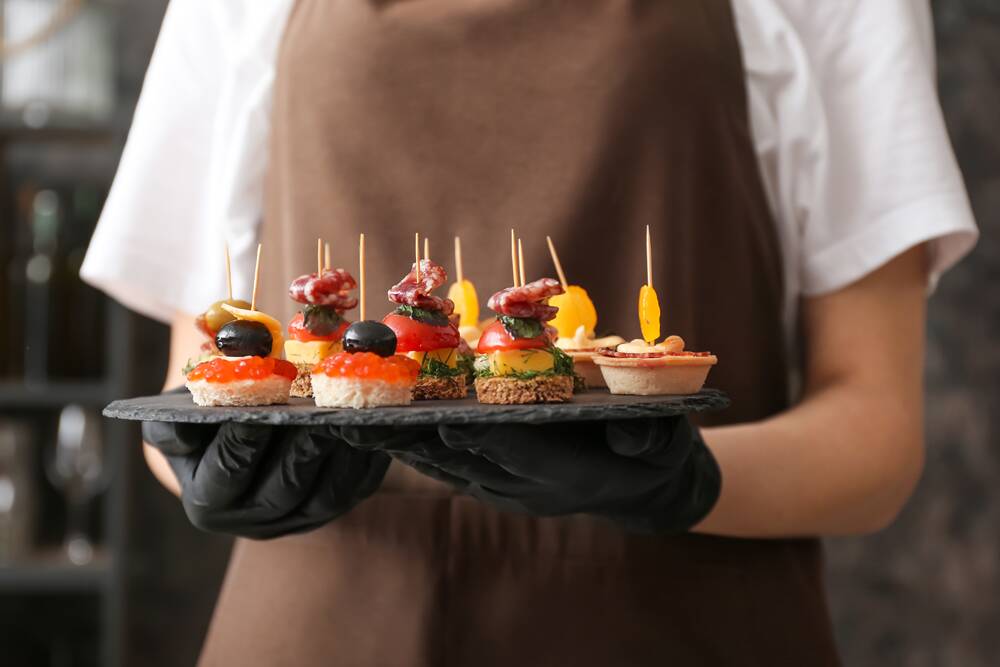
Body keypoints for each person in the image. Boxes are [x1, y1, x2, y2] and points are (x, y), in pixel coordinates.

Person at [83, 0, 978, 664]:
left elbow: (877, 433)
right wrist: (217, 467)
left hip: (683, 625)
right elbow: (194, 381)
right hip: (319, 627)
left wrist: (687, 481)